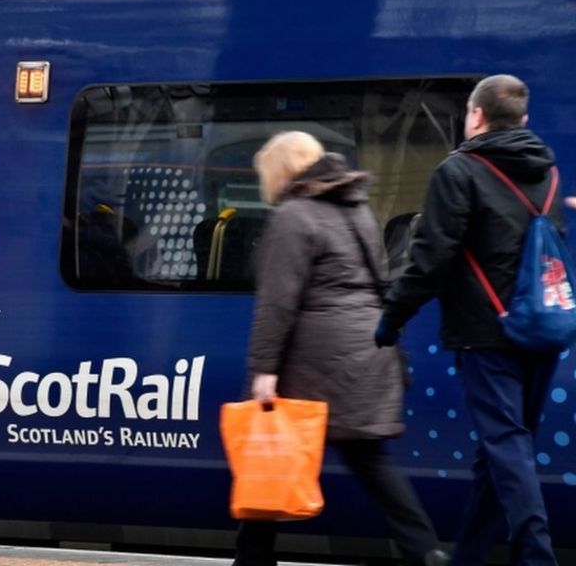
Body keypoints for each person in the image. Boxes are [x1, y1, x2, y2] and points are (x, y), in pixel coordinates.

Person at [376, 75, 562, 566]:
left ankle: (537, 556)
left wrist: (392, 317)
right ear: (522, 120)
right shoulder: (546, 171)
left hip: (486, 334)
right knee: (500, 451)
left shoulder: (459, 170)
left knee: (505, 444)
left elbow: (430, 258)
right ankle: (472, 557)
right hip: (542, 331)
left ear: (475, 115)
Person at [237, 131, 447, 566]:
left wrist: (263, 368)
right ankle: (424, 550)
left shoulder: (293, 216)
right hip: (366, 351)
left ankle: (252, 559)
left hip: (316, 361)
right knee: (370, 460)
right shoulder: (358, 210)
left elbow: (278, 302)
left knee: (269, 455)